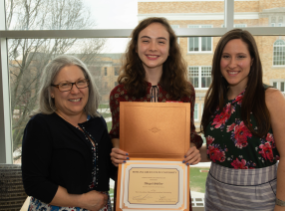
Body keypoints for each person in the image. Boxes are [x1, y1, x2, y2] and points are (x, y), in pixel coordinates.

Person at [109, 17, 203, 210]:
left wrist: (193, 149)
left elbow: (189, 135)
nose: (153, 47)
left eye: (161, 41)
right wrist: (116, 152)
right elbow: (117, 136)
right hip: (134, 187)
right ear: (135, 47)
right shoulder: (120, 93)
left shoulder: (185, 92)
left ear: (170, 49)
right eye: (145, 40)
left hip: (172, 187)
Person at [200, 29, 285, 211]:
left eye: (240, 56)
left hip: (259, 200)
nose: (232, 64)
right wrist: (187, 152)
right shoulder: (215, 100)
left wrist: (281, 206)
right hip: (215, 196)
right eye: (226, 56)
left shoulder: (271, 98)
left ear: (252, 60)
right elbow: (218, 150)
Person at [22, 55, 115, 211]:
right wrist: (82, 201)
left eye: (80, 82)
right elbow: (34, 184)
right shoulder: (39, 125)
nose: (75, 90)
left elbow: (107, 167)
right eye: (65, 85)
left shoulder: (97, 121)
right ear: (51, 91)